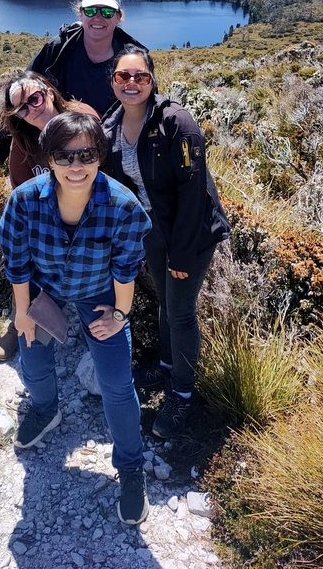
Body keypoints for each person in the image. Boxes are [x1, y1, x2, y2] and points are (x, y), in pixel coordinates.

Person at [0, 111, 152, 525]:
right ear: (49, 158)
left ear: (100, 155)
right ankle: (46, 410)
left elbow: (126, 268)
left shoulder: (122, 206)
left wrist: (119, 314)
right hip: (45, 290)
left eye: (86, 154)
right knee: (32, 360)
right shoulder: (24, 201)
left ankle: (131, 469)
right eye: (65, 156)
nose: (76, 165)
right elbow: (17, 263)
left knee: (117, 384)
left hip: (100, 293)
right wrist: (22, 312)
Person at [101, 46, 230, 439]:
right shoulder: (112, 125)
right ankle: (168, 365)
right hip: (152, 231)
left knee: (181, 312)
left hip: (189, 234)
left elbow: (194, 193)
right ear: (113, 82)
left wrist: (181, 250)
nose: (132, 83)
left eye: (140, 76)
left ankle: (183, 394)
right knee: (163, 302)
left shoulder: (178, 123)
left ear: (152, 80)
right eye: (123, 76)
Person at [0, 72, 97, 361]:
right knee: (23, 252)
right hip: (49, 229)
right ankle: (20, 321)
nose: (32, 109)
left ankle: (102, 325)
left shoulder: (83, 118)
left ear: (48, 91)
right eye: (22, 109)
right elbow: (22, 203)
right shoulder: (24, 143)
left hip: (91, 220)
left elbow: (106, 172)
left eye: (34, 98)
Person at [28, 0, 147, 119]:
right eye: (90, 11)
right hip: (60, 135)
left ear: (118, 18)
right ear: (81, 14)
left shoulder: (134, 60)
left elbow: (147, 110)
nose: (97, 17)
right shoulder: (58, 49)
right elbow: (23, 89)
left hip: (114, 137)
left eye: (107, 12)